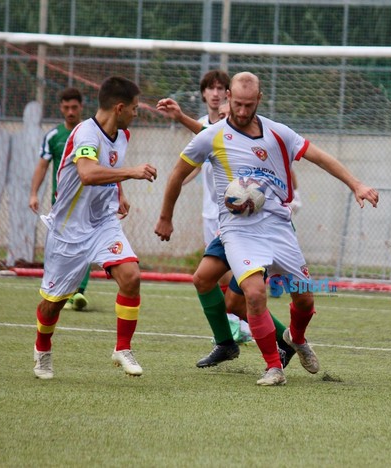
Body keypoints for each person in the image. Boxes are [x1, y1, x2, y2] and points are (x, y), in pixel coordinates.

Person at [155, 71, 379, 386]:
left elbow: (319, 157)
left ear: (259, 100)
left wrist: (356, 184)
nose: (243, 111)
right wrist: (166, 217)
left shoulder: (279, 133)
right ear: (229, 99)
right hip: (237, 229)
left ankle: (296, 337)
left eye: (249, 105)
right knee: (254, 294)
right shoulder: (211, 135)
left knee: (304, 297)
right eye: (238, 104)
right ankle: (273, 366)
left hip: (277, 225)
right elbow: (177, 175)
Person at [32, 76, 158, 380]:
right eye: (134, 108)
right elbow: (87, 173)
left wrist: (120, 193)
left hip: (103, 222)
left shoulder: (122, 134)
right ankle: (42, 349)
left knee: (131, 276)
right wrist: (132, 173)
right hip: (68, 230)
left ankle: (122, 347)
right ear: (119, 107)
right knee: (53, 304)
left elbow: (107, 168)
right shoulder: (86, 134)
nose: (137, 113)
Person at [157, 96, 297, 368]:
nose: (226, 120)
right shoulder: (217, 136)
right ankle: (226, 343)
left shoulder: (256, 140)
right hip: (227, 224)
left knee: (237, 299)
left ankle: (283, 342)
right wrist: (182, 117)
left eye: (227, 114)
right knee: (204, 279)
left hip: (258, 229)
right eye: (221, 116)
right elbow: (207, 135)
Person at [29, 87, 90, 311]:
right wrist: (34, 193)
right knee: (60, 248)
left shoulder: (91, 132)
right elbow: (42, 166)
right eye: (66, 107)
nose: (70, 111)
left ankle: (78, 293)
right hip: (62, 205)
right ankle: (59, 289)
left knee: (86, 246)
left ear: (81, 107)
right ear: (61, 108)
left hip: (88, 202)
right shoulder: (54, 136)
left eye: (74, 107)